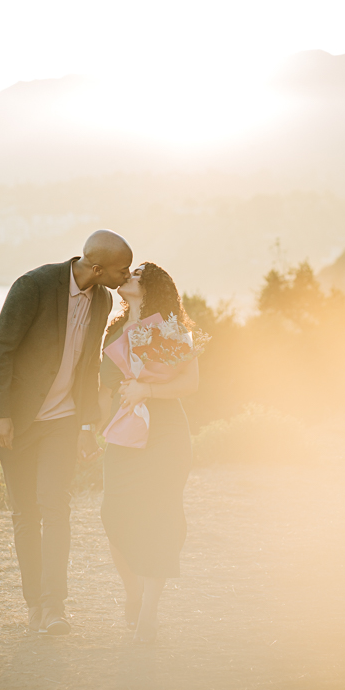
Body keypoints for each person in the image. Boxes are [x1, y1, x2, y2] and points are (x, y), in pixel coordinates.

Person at [0, 230, 133, 635]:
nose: (126, 276)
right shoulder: (33, 286)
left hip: (62, 423)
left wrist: (86, 425)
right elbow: (2, 350)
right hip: (16, 419)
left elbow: (87, 366)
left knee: (56, 507)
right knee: (26, 514)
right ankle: (35, 604)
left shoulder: (100, 299)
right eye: (122, 270)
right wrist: (2, 414)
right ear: (97, 268)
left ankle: (54, 608)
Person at [98, 262, 200, 644]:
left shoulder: (171, 328)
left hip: (166, 432)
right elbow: (105, 387)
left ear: (152, 287)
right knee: (114, 514)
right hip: (124, 429)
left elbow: (190, 383)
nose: (129, 276)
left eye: (138, 274)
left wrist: (148, 391)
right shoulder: (113, 329)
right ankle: (134, 591)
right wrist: (89, 429)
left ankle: (149, 613)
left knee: (160, 516)